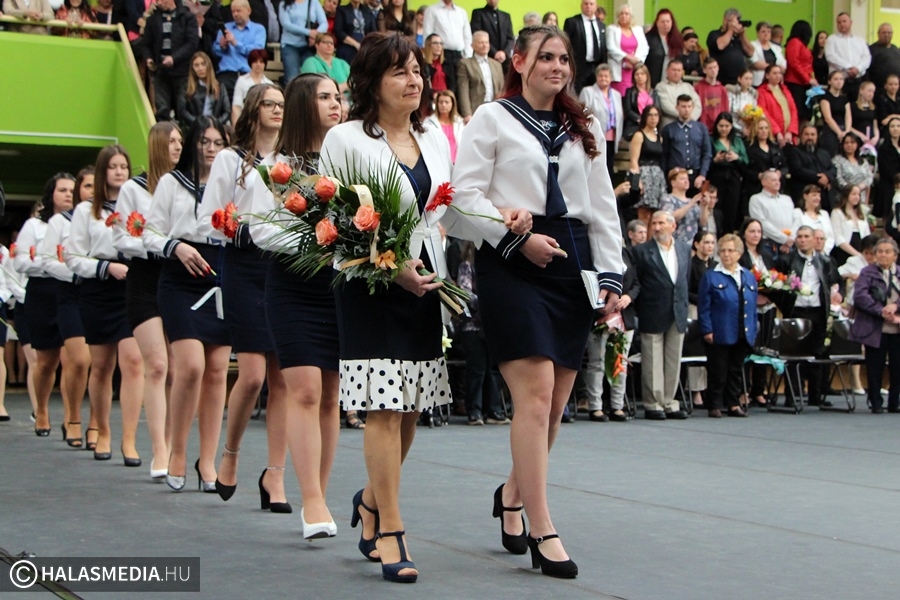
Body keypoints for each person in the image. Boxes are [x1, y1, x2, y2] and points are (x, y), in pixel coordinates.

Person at [450, 24, 622, 579]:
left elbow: (601, 208)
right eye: (545, 57)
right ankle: (542, 524)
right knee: (536, 393)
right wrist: (515, 238)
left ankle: (510, 493)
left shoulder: (584, 126)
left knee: (552, 407)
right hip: (512, 260)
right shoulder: (492, 118)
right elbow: (461, 200)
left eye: (564, 58)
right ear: (518, 61)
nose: (556, 66)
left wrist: (612, 276)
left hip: (570, 260)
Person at [317, 32, 460, 582]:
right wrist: (387, 263)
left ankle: (372, 502)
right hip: (368, 283)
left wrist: (506, 222)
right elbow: (328, 222)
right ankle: (392, 528)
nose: (414, 80)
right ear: (373, 82)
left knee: (411, 406)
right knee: (382, 405)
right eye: (400, 71)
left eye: (418, 71)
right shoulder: (347, 138)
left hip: (423, 280)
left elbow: (450, 208)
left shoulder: (434, 136)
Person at [245, 73, 343, 535]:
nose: (335, 103)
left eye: (338, 96)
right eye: (325, 97)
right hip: (293, 285)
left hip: (339, 285)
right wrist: (312, 233)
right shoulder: (276, 166)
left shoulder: (350, 156)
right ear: (306, 105)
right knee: (301, 389)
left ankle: (318, 492)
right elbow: (259, 229)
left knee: (330, 395)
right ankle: (311, 500)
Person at [197, 85, 290, 507]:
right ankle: (230, 454)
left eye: (282, 106)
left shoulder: (291, 160)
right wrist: (242, 230)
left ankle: (276, 475)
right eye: (270, 104)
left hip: (283, 266)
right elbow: (206, 220)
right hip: (243, 264)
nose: (277, 111)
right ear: (253, 110)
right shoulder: (230, 160)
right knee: (251, 375)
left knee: (283, 378)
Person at [143, 117, 230, 491]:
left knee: (216, 371)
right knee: (190, 366)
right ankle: (177, 450)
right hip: (180, 275)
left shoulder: (233, 183)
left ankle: (207, 461)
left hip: (221, 274)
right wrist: (175, 246)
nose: (211, 148)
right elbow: (150, 232)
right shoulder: (170, 183)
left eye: (218, 142)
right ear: (193, 144)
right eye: (204, 141)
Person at [111, 123, 181, 480]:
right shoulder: (133, 189)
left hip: (179, 276)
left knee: (178, 365)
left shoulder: (185, 186)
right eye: (172, 142)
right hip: (145, 276)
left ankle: (174, 442)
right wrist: (158, 244)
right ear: (157, 145)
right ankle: (159, 449)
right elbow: (122, 239)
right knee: (156, 364)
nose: (178, 147)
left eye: (181, 142)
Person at [66, 145, 144, 464]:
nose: (119, 172)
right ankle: (103, 431)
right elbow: (73, 256)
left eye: (124, 166)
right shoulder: (86, 211)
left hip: (131, 288)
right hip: (98, 288)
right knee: (101, 366)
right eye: (112, 167)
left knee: (134, 362)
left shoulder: (138, 205)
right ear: (102, 172)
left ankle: (129, 439)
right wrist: (104, 268)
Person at [13, 174, 76, 439]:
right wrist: (51, 261)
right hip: (42, 290)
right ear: (51, 194)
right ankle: (41, 410)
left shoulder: (81, 221)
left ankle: (71, 416)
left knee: (73, 358)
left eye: (72, 190)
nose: (68, 195)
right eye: (62, 190)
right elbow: (21, 262)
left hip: (73, 289)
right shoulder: (35, 225)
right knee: (46, 360)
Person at [632, 210, 690, 420]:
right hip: (651, 309)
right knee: (653, 360)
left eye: (661, 223)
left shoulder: (684, 249)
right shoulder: (641, 251)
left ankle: (669, 401)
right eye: (654, 223)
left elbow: (684, 280)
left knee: (674, 359)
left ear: (672, 226)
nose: (657, 227)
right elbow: (636, 281)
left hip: (677, 311)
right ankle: (653, 403)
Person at [776, 226, 842, 408]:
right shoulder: (786, 260)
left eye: (806, 236)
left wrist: (839, 294)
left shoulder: (826, 261)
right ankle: (792, 395)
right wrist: (785, 307)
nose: (802, 240)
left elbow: (837, 283)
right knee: (792, 355)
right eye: (799, 236)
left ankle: (816, 395)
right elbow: (777, 287)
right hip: (796, 311)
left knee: (817, 353)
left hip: (817, 310)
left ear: (814, 239)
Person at [698, 233, 756, 418]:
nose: (726, 254)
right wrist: (707, 329)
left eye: (730, 251)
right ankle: (714, 404)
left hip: (742, 329)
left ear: (739, 253)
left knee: (736, 369)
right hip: (720, 329)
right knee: (718, 369)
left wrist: (753, 328)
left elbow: (753, 306)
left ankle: (733, 403)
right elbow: (704, 307)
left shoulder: (747, 275)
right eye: (722, 250)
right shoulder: (711, 276)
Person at [454, 241, 507, 425]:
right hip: (473, 325)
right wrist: (489, 302)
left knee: (494, 370)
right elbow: (465, 293)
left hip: (493, 324)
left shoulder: (497, 267)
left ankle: (494, 411)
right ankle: (474, 411)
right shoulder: (467, 265)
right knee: (476, 370)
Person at [851, 237, 900, 413]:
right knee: (875, 366)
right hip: (875, 326)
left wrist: (896, 307)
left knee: (897, 367)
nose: (883, 255)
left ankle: (895, 402)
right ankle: (875, 402)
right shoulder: (867, 272)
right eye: (879, 251)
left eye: (887, 252)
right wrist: (881, 311)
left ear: (895, 255)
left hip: (897, 326)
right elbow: (860, 297)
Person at [738, 218, 776, 406]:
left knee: (763, 349)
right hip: (746, 306)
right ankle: (743, 389)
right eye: (752, 231)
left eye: (758, 232)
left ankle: (759, 390)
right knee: (746, 348)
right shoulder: (740, 255)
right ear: (744, 233)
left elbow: (774, 278)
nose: (755, 235)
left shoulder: (766, 256)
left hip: (766, 305)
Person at [141, 0, 198, 122]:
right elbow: (146, 44)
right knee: (162, 110)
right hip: (161, 72)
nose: (158, 3)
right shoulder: (152, 20)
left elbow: (192, 43)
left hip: (182, 72)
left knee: (183, 109)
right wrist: (149, 58)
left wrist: (174, 58)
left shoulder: (188, 18)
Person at [212, 0, 267, 101]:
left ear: (248, 10)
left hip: (248, 75)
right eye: (233, 11)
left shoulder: (259, 30)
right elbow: (215, 52)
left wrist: (236, 43)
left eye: (238, 11)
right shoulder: (226, 28)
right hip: (226, 75)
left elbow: (257, 53)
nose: (235, 14)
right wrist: (222, 47)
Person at [687, 230, 716, 409]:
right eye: (706, 242)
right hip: (695, 308)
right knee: (696, 347)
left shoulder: (715, 265)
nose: (709, 246)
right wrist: (704, 300)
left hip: (713, 310)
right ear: (697, 244)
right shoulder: (691, 265)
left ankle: (709, 388)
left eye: (712, 243)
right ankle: (696, 390)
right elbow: (687, 289)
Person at [660, 94, 710, 191]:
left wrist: (702, 175)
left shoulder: (701, 128)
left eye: (689, 106)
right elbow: (664, 155)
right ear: (677, 108)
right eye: (683, 106)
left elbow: (707, 153)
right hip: (675, 175)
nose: (686, 110)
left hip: (696, 176)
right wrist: (666, 175)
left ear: (693, 108)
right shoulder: (668, 129)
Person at [579, 63, 622, 174]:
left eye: (606, 76)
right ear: (596, 77)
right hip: (595, 136)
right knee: (597, 167)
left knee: (609, 166)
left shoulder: (616, 94)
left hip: (612, 137)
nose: (603, 78)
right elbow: (584, 114)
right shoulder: (588, 92)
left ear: (611, 78)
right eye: (601, 75)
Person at [708, 111, 747, 231]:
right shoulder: (711, 140)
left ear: (731, 126)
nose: (724, 129)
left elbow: (746, 160)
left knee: (732, 208)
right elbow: (706, 159)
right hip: (717, 175)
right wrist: (715, 159)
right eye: (721, 126)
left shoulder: (737, 141)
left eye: (727, 126)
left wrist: (736, 157)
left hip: (733, 176)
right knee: (717, 207)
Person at [423, 0, 471, 95]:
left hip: (460, 56)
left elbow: (467, 37)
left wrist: (467, 57)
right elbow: (427, 36)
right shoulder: (432, 10)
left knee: (461, 90)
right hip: (442, 56)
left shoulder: (461, 12)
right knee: (446, 87)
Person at [628, 105, 665, 224]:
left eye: (656, 115)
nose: (653, 118)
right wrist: (637, 180)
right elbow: (634, 160)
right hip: (644, 174)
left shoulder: (659, 137)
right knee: (643, 212)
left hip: (656, 176)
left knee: (654, 215)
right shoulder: (639, 135)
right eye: (650, 115)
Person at [456, 30, 502, 122]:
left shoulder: (497, 64)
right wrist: (467, 114)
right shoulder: (465, 64)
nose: (485, 45)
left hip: (495, 108)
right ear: (472, 45)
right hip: (475, 109)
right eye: (481, 42)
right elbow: (463, 90)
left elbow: (501, 88)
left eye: (486, 42)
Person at [785, 125, 837, 209]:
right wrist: (818, 178)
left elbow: (833, 169)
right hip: (803, 197)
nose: (810, 137)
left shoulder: (824, 153)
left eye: (813, 134)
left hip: (825, 198)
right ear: (801, 136)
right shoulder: (794, 152)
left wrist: (827, 177)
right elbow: (798, 170)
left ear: (817, 137)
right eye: (806, 134)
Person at [278, 0, 328, 83]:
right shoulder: (284, 3)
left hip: (308, 46)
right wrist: (308, 32)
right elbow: (286, 24)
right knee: (292, 77)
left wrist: (316, 34)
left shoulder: (314, 2)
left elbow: (324, 23)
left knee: (310, 78)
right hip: (290, 45)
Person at [825, 12, 871, 102]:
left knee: (856, 107)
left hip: (857, 80)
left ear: (850, 22)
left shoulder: (860, 40)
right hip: (840, 80)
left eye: (844, 21)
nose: (842, 24)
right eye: (839, 22)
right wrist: (848, 67)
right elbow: (830, 56)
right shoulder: (832, 39)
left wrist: (858, 68)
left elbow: (867, 57)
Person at [178, 52, 232, 129]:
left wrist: (214, 124)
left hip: (215, 128)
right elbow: (182, 111)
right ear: (192, 68)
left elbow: (227, 112)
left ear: (209, 65)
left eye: (203, 64)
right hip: (193, 128)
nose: (200, 68)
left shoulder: (220, 87)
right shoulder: (186, 87)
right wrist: (199, 123)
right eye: (196, 65)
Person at [563, 0, 607, 94]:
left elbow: (603, 48)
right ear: (581, 5)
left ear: (596, 6)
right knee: (578, 95)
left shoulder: (601, 25)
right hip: (578, 67)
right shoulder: (572, 22)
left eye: (591, 4)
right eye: (586, 4)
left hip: (596, 66)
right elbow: (565, 45)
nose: (588, 6)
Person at [748, 169, 794, 256]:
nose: (777, 183)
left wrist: (790, 240)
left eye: (778, 180)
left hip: (789, 244)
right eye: (773, 180)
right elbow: (761, 223)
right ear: (764, 182)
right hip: (768, 244)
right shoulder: (756, 199)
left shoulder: (787, 199)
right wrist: (783, 239)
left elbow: (795, 220)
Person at [605, 4, 646, 96]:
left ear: (631, 16)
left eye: (626, 14)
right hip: (619, 69)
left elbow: (645, 47)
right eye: (621, 14)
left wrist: (635, 61)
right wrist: (627, 57)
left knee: (634, 97)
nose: (624, 16)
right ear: (617, 16)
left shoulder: (638, 30)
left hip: (634, 68)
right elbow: (611, 48)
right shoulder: (612, 29)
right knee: (620, 98)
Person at [660, 168, 710, 245]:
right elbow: (670, 218)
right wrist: (690, 204)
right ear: (673, 183)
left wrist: (704, 207)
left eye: (687, 179)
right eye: (682, 179)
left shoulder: (692, 201)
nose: (686, 181)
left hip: (692, 245)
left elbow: (703, 223)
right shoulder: (667, 199)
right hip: (675, 243)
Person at [706, 8, 753, 85]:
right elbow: (720, 46)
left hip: (739, 82)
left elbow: (750, 52)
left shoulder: (738, 37)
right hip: (721, 81)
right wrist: (730, 30)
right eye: (733, 20)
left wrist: (742, 34)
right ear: (725, 20)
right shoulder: (714, 34)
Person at [756, 64, 798, 148]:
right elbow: (764, 113)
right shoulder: (761, 92)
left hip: (788, 134)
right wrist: (777, 132)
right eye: (774, 73)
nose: (778, 75)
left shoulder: (785, 90)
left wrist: (790, 131)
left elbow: (793, 110)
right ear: (767, 75)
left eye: (779, 73)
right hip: (773, 134)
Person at [830, 184, 871, 267]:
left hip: (861, 247)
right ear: (846, 195)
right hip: (845, 250)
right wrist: (856, 254)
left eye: (858, 194)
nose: (857, 197)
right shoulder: (837, 212)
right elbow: (838, 237)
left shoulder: (861, 212)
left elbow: (867, 233)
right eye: (854, 194)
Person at [784, 21, 817, 123]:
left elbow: (808, 65)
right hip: (795, 83)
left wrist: (812, 79)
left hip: (804, 83)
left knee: (806, 112)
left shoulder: (801, 45)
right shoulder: (795, 42)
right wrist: (807, 79)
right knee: (798, 112)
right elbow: (794, 63)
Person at [232, 48, 274, 126]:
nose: (258, 64)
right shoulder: (241, 81)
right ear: (250, 63)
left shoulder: (269, 84)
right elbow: (236, 107)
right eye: (255, 61)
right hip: (245, 121)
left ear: (265, 64)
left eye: (261, 62)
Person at [654, 60, 701, 129]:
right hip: (670, 125)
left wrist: (692, 117)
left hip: (690, 123)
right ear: (667, 70)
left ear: (682, 72)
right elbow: (666, 106)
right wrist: (684, 115)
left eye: (679, 70)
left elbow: (697, 104)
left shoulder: (688, 86)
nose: (676, 73)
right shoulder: (661, 86)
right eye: (674, 70)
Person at [469, 0, 514, 68]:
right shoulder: (478, 13)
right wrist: (494, 52)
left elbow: (510, 37)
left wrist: (504, 53)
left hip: (504, 60)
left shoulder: (506, 16)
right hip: (485, 57)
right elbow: (476, 35)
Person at [791, 185, 834, 255]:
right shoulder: (798, 212)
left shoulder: (824, 214)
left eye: (819, 196)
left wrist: (824, 252)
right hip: (804, 253)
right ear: (805, 196)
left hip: (823, 254)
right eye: (814, 195)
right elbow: (794, 234)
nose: (817, 198)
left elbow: (830, 236)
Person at [424, 89, 464, 162]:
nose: (443, 105)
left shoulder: (460, 122)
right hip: (439, 161)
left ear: (452, 104)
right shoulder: (429, 122)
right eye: (441, 102)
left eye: (447, 102)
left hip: (458, 161)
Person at [644, 8, 681, 87]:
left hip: (672, 83)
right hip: (652, 82)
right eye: (662, 21)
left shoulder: (677, 39)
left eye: (668, 21)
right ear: (657, 23)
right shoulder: (648, 39)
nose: (665, 24)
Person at [819, 70, 852, 158]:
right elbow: (828, 118)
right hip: (831, 130)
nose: (839, 81)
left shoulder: (844, 99)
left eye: (841, 79)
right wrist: (839, 133)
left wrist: (847, 132)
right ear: (830, 81)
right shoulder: (825, 97)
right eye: (836, 79)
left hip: (844, 129)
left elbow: (848, 117)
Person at [834, 132, 874, 204]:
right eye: (846, 143)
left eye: (852, 142)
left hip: (862, 199)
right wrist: (853, 190)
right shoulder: (837, 160)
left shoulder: (863, 161)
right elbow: (838, 179)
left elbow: (869, 177)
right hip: (845, 198)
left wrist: (860, 187)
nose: (849, 145)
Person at [694, 57, 729, 135]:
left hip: (719, 129)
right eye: (710, 68)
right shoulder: (698, 88)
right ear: (704, 70)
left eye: (715, 67)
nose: (713, 70)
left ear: (718, 68)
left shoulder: (722, 89)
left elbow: (726, 109)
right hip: (703, 129)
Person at [876, 118, 900, 221]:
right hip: (888, 186)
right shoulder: (883, 148)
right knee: (888, 217)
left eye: (898, 126)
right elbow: (886, 169)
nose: (895, 129)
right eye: (892, 126)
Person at [749, 21, 786, 88]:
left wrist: (773, 68)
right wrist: (775, 68)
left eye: (768, 32)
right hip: (758, 82)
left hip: (774, 82)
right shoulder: (752, 45)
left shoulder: (776, 47)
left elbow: (783, 64)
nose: (766, 34)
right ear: (757, 33)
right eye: (763, 31)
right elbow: (755, 63)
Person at [622, 63, 652, 141]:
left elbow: (657, 109)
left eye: (642, 74)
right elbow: (628, 110)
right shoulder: (629, 92)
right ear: (633, 77)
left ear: (647, 76)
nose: (640, 77)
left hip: (651, 125)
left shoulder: (653, 92)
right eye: (637, 74)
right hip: (634, 125)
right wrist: (641, 120)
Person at [868, 23, 900, 92]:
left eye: (889, 33)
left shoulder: (895, 49)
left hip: (896, 90)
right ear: (878, 34)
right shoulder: (871, 49)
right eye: (884, 33)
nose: (886, 35)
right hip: (879, 89)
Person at [727, 69, 757, 137]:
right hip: (735, 130)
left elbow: (755, 111)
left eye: (750, 79)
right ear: (739, 79)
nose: (748, 81)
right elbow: (729, 113)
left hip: (749, 130)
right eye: (746, 79)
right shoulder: (732, 92)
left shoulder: (753, 94)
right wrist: (740, 129)